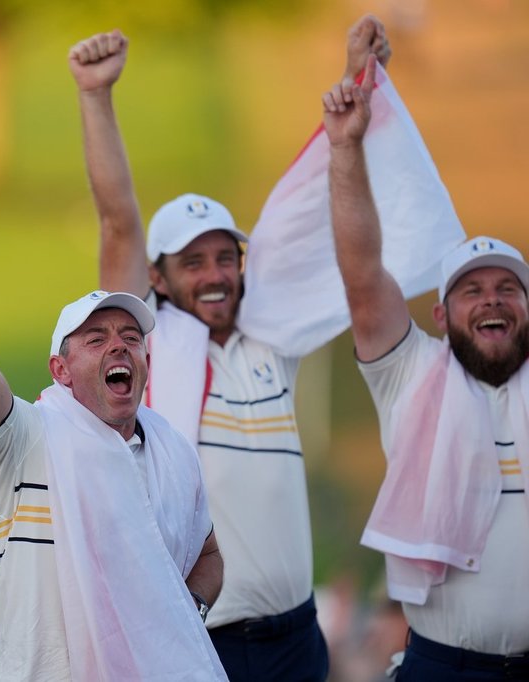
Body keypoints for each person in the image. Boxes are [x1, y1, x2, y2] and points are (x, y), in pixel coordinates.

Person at [67, 17, 392, 682]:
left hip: (297, 639)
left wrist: (359, 80)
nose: (215, 274)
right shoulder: (145, 348)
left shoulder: (275, 339)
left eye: (225, 256)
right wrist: (95, 97)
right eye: (194, 262)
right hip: (197, 641)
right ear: (156, 278)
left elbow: (343, 239)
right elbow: (117, 221)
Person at [0, 201, 226, 681]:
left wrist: (182, 613)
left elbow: (209, 555)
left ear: (144, 360)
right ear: (61, 370)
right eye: (95, 339)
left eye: (130, 337)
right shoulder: (26, 438)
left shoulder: (172, 450)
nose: (118, 346)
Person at [325, 55, 529, 681]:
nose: (491, 298)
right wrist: (346, 149)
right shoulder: (411, 374)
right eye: (472, 291)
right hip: (443, 667)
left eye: (508, 288)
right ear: (441, 315)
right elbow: (362, 276)